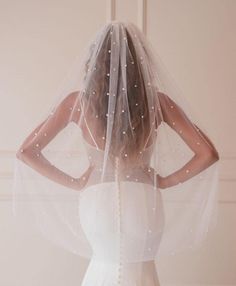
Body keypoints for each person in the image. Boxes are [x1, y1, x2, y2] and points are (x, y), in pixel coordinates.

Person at [12, 21, 220, 286]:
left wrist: (76, 182)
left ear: (95, 62)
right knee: (142, 270)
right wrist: (164, 182)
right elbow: (208, 153)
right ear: (141, 62)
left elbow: (26, 151)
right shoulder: (158, 102)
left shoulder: (77, 102)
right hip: (144, 199)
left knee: (102, 264)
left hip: (98, 200)